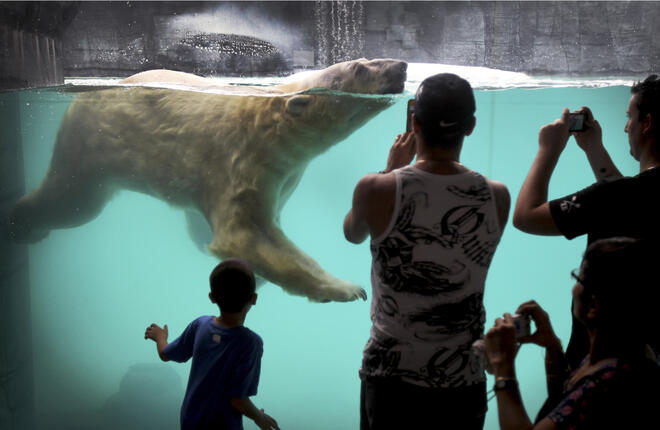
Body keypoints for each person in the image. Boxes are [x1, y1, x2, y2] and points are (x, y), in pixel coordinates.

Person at [344, 73, 510, 429]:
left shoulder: (376, 188)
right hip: (461, 380)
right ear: (471, 126)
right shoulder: (496, 196)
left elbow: (352, 233)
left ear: (414, 122)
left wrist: (391, 169)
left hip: (389, 378)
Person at [513, 75, 660, 368]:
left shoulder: (618, 197)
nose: (626, 126)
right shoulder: (631, 197)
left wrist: (548, 149)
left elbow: (526, 216)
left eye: (630, 116)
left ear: (647, 123)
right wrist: (594, 148)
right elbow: (628, 205)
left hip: (597, 367)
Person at [484, 237, 660, 430]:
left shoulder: (607, 383)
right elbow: (564, 404)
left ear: (593, 305)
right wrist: (552, 347)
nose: (574, 287)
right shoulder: (619, 352)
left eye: (578, 278)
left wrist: (503, 368)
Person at [144, 258, 279, 430]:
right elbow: (238, 399)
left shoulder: (200, 325)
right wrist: (259, 417)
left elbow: (165, 354)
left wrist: (160, 336)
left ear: (212, 297)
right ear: (254, 298)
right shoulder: (250, 343)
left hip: (190, 422)